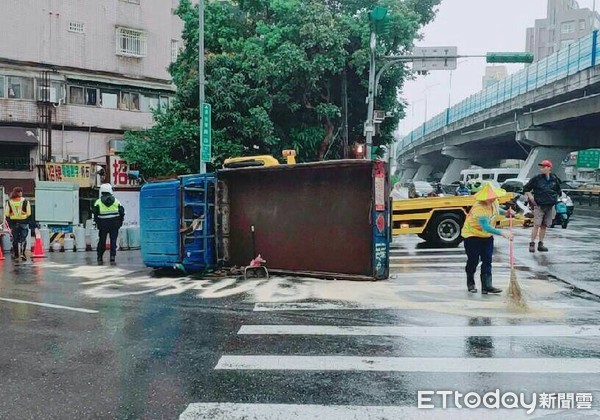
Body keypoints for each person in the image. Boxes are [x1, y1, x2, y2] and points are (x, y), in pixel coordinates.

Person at [461, 182, 514, 294]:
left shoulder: (494, 202)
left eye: (493, 197)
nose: (491, 199)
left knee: (487, 260)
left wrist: (506, 213)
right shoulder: (479, 208)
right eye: (489, 198)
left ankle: (487, 285)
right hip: (472, 236)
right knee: (473, 260)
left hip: (487, 237)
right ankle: (470, 282)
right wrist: (502, 233)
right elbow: (486, 227)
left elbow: (496, 210)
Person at [523, 160, 561, 253]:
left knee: (544, 225)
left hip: (550, 205)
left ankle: (541, 243)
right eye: (541, 167)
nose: (542, 169)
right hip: (539, 205)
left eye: (544, 167)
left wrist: (556, 198)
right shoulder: (537, 178)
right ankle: (532, 243)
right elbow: (526, 188)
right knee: (536, 224)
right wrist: (531, 197)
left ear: (549, 168)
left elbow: (558, 190)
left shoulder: (554, 178)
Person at [92, 183, 125, 265]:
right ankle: (112, 257)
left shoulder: (98, 202)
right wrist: (120, 222)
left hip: (103, 224)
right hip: (114, 224)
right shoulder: (116, 201)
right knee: (113, 241)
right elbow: (122, 212)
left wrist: (97, 222)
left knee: (102, 241)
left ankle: (100, 256)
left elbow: (95, 213)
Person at [5, 187, 31, 261]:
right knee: (23, 239)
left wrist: (12, 214)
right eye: (20, 192)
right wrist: (24, 213)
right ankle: (22, 253)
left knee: (15, 239)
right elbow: (29, 213)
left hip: (14, 223)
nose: (21, 193)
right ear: (19, 193)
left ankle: (16, 255)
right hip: (23, 222)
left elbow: (7, 213)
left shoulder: (9, 202)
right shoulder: (26, 201)